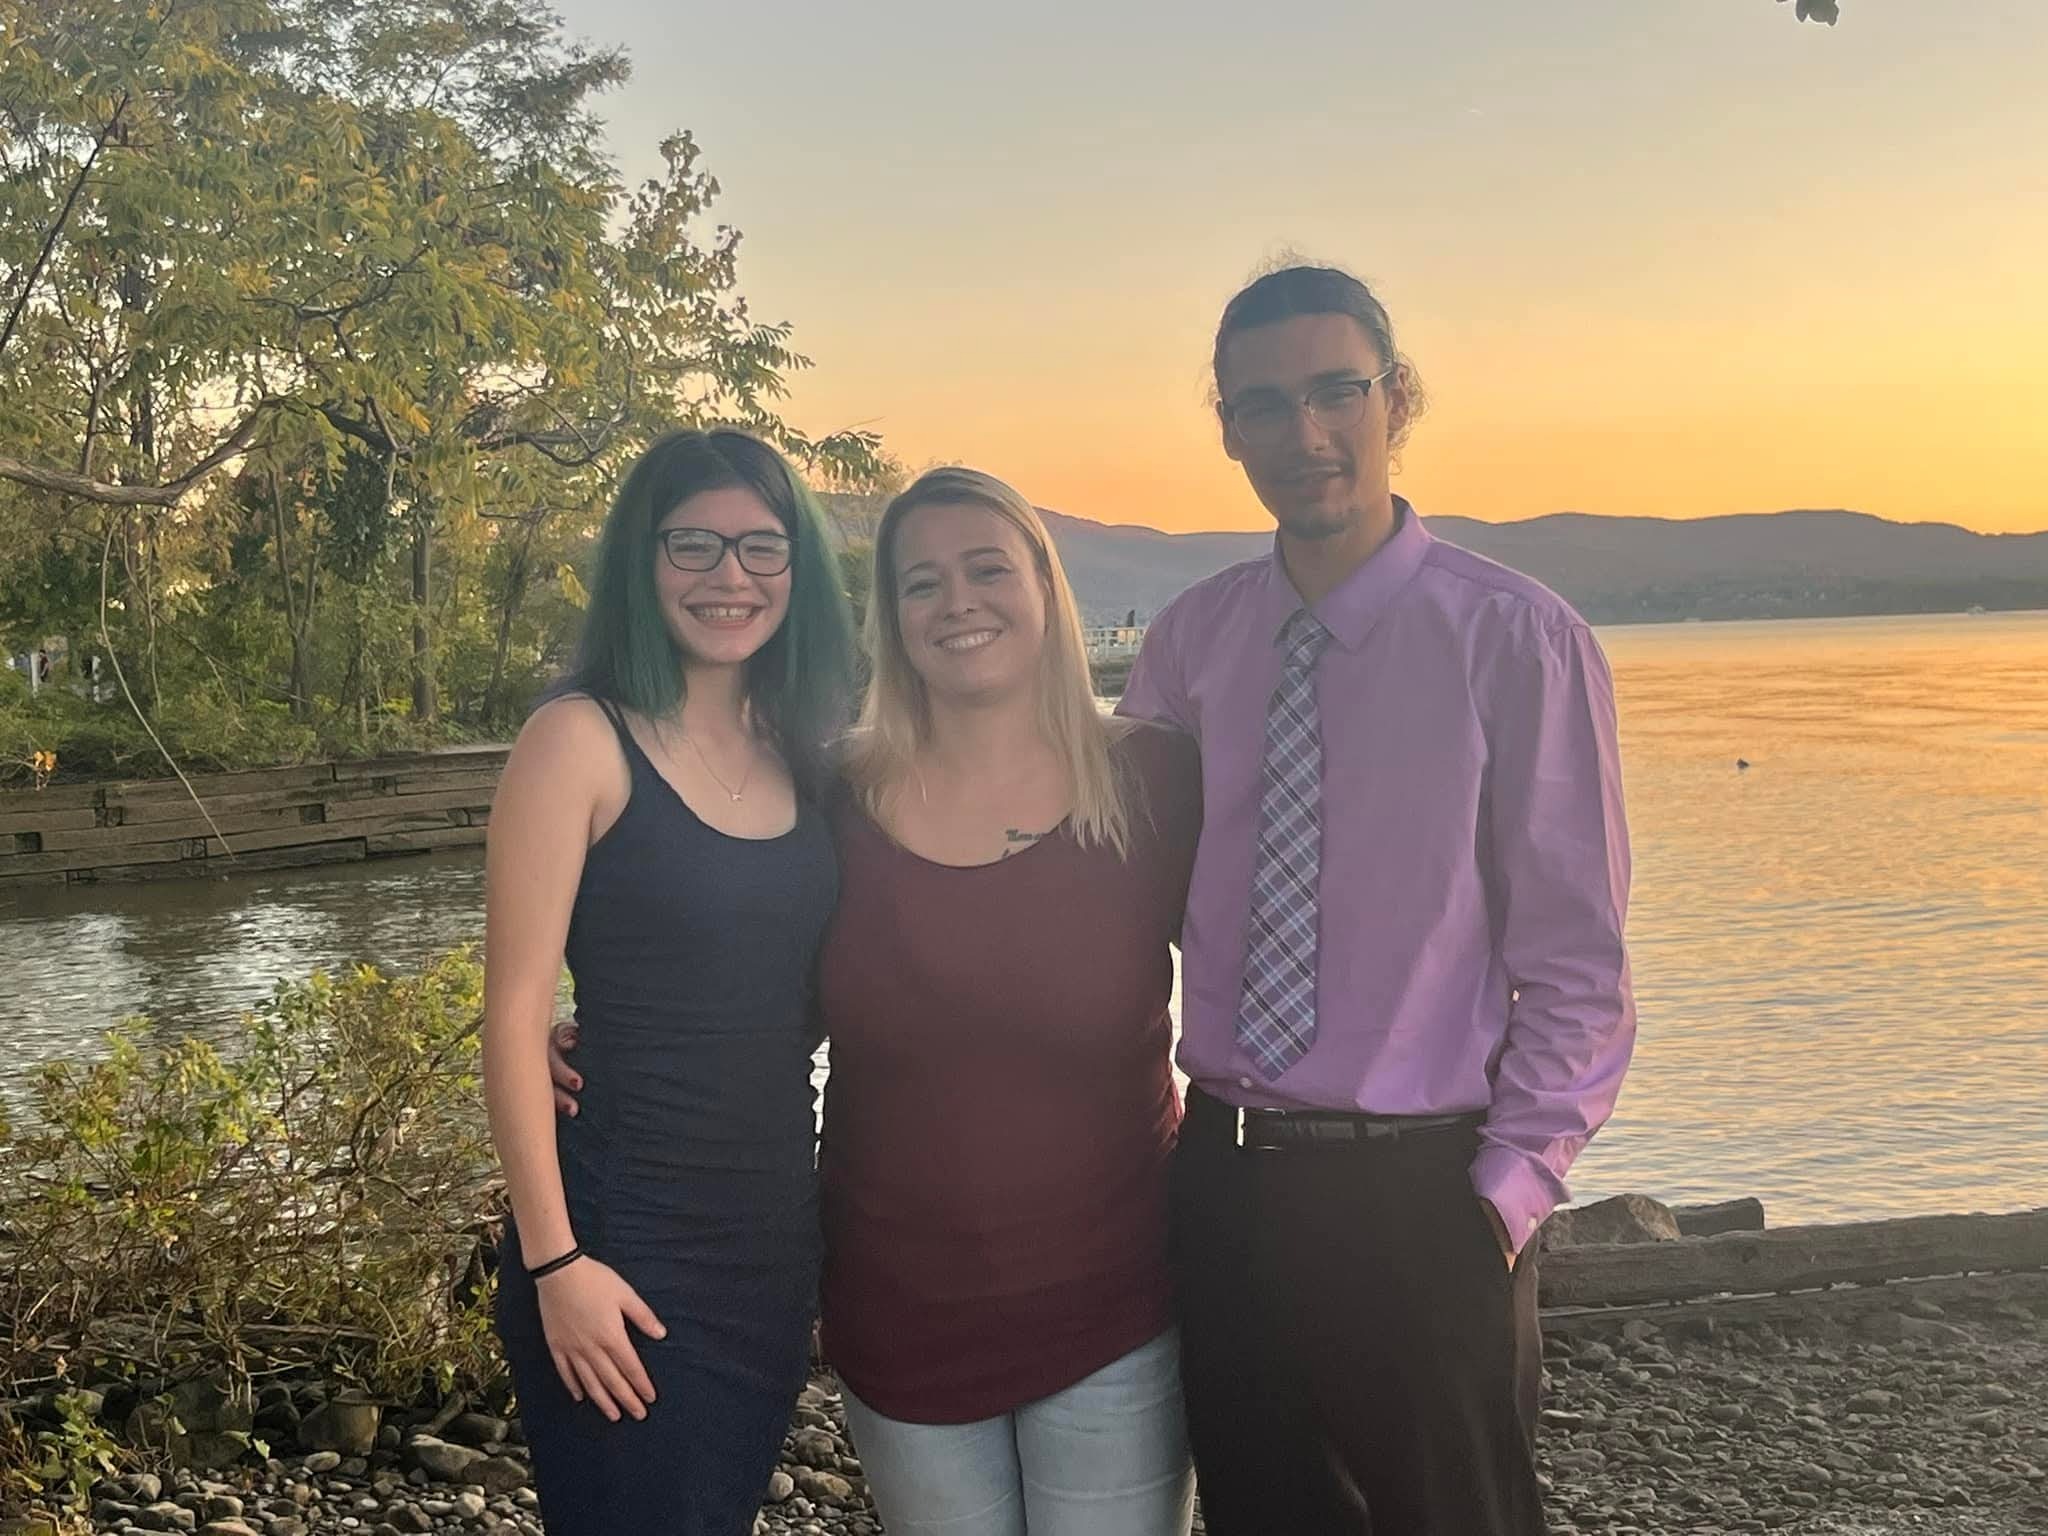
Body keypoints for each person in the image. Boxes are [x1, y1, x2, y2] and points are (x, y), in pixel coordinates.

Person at [551, 466, 1203, 1535]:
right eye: (920, 583)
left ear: (1046, 587)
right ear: (888, 616)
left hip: (1117, 1301)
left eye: (988, 570)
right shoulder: (834, 794)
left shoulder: (1155, 780)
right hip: (899, 1308)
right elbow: (745, 983)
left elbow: (1269, 988)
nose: (957, 603)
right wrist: (600, 1039)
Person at [1117, 264, 1636, 1536]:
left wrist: (1504, 1194)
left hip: (1425, 1190)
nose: (1302, 433)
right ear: (1228, 430)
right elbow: (1118, 886)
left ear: (1394, 399)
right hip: (1227, 1179)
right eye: (1261, 405)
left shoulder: (1516, 640)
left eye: (1333, 391)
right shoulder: (1189, 644)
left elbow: (1576, 964)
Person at [483, 428, 857, 1536]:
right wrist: (555, 1263)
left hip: (769, 1242)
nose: (728, 576)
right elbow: (510, 1018)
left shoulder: (804, 749)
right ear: (642, 562)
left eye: (760, 546)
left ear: (798, 567)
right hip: (620, 1240)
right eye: (693, 544)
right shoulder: (577, 740)